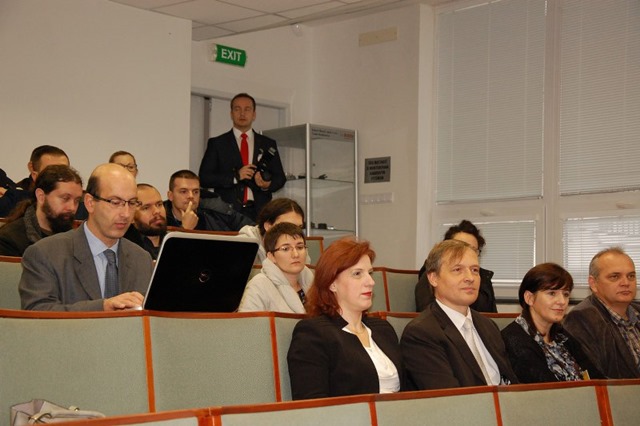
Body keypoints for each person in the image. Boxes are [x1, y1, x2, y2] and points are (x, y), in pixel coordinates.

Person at [19, 163, 153, 311]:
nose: (126, 214)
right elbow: (37, 312)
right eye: (115, 202)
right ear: (90, 203)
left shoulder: (141, 259)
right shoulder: (45, 254)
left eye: (132, 203)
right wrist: (102, 307)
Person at [287, 238, 404, 399]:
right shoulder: (313, 333)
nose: (370, 282)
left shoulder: (383, 329)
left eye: (370, 273)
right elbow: (311, 404)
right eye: (357, 274)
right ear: (332, 283)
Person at [401, 239, 517, 390]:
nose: (470, 278)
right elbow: (450, 398)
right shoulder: (421, 333)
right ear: (433, 278)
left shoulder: (488, 325)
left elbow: (511, 382)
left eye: (475, 270)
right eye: (457, 270)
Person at [501, 263, 604, 383]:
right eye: (552, 293)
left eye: (566, 294)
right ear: (529, 298)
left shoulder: (561, 335)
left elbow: (597, 379)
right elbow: (548, 391)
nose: (562, 301)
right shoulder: (515, 340)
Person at [199, 93, 286, 221]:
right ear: (231, 113)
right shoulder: (217, 143)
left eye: (247, 109)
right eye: (237, 109)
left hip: (260, 212)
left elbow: (280, 178)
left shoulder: (268, 144)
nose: (242, 113)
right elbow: (204, 178)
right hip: (227, 213)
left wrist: (267, 184)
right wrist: (235, 177)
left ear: (254, 114)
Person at [563, 247, 640, 379]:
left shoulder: (637, 311)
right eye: (615, 277)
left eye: (631, 276)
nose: (626, 283)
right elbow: (596, 379)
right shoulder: (581, 319)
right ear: (593, 283)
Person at [0, 165, 83, 257]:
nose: (72, 207)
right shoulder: (9, 240)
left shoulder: (77, 239)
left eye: (77, 201)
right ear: (41, 196)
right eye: (65, 198)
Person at [415, 220, 497, 312]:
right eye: (459, 247)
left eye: (473, 249)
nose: (470, 278)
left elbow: (493, 315)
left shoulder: (483, 276)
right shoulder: (432, 274)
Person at [238, 222, 314, 313]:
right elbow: (250, 322)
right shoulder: (258, 286)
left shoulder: (314, 282)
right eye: (285, 249)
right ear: (271, 256)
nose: (295, 254)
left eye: (300, 247)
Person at [165, 170, 253, 232]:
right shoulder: (160, 218)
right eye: (184, 191)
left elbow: (254, 229)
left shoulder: (215, 210)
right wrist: (185, 229)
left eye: (195, 192)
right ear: (170, 196)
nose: (191, 196)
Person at [0, 145, 69, 217]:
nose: (59, 177)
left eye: (64, 171)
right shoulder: (14, 199)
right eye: (51, 172)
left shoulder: (74, 203)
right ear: (34, 175)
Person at [238, 197, 307, 263]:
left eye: (299, 227)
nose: (295, 232)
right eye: (287, 227)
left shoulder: (298, 245)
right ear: (268, 226)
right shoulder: (243, 245)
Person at [124, 183, 167, 260]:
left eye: (159, 204)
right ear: (131, 217)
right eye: (146, 208)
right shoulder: (125, 248)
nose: (157, 211)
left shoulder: (173, 241)